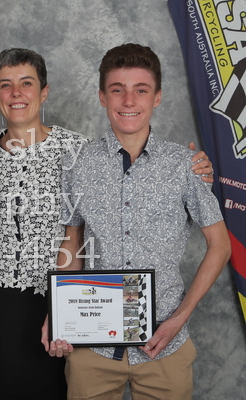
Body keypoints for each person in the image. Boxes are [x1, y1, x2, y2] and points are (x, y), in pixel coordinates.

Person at [0, 48, 215, 399]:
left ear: (44, 91)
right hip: (31, 309)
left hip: (114, 317)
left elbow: (215, 242)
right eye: (6, 85)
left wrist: (193, 167)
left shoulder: (80, 151)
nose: (16, 93)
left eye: (26, 83)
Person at [58, 43, 231, 399]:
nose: (128, 100)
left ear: (157, 97)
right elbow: (72, 242)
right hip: (93, 346)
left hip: (164, 344)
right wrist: (58, 312)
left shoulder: (185, 165)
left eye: (141, 90)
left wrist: (180, 318)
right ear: (102, 96)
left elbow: (220, 246)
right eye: (117, 90)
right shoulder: (78, 163)